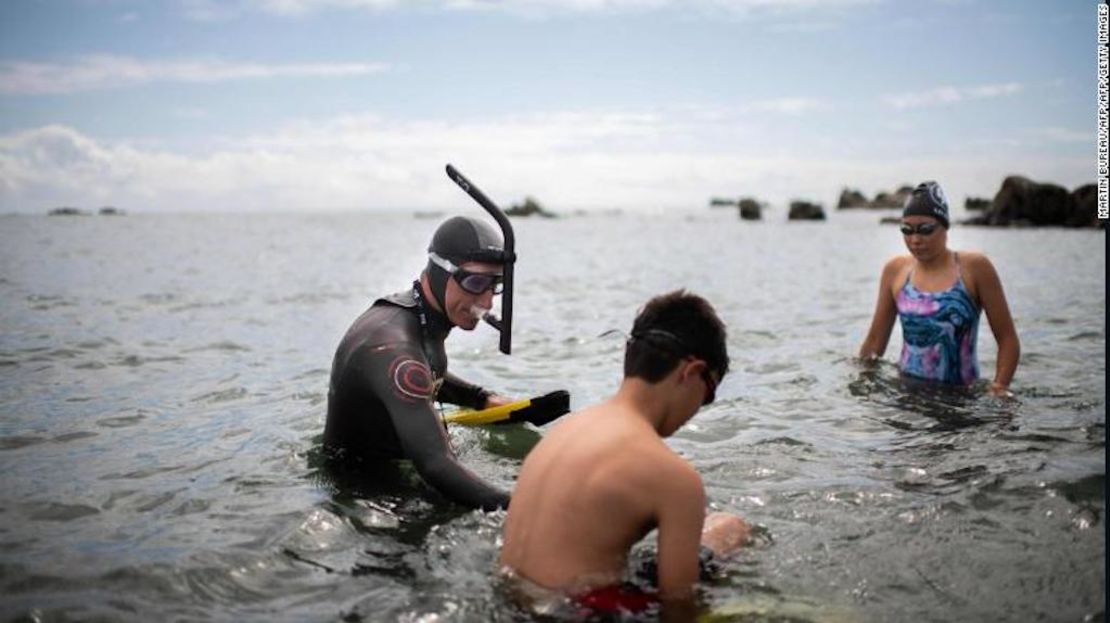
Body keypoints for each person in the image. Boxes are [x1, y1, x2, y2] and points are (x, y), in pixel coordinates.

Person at [499, 290, 752, 618]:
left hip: (507, 605)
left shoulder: (562, 434)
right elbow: (680, 608)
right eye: (709, 395)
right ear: (692, 372)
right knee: (730, 528)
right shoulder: (672, 477)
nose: (699, 408)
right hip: (580, 613)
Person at [323, 215, 516, 510]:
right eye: (475, 282)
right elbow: (437, 466)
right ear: (440, 273)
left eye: (496, 284)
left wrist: (480, 398)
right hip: (368, 501)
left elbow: (421, 372)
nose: (487, 302)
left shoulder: (418, 317)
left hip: (401, 476)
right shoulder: (392, 345)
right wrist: (526, 510)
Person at [859, 180, 1020, 395]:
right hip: (906, 396)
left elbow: (1008, 339)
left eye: (925, 230)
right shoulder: (895, 270)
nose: (915, 239)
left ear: (945, 226)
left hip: (961, 398)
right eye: (907, 230)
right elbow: (874, 342)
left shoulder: (974, 268)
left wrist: (1000, 387)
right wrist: (858, 386)